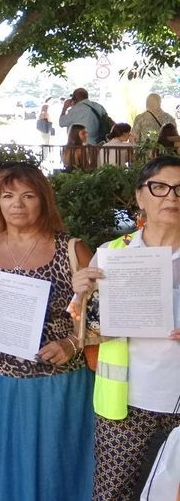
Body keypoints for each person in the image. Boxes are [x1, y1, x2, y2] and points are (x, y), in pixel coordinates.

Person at [0, 163, 95, 500]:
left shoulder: (72, 250)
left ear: (43, 200)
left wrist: (72, 343)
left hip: (55, 382)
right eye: (8, 196)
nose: (17, 204)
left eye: (28, 195)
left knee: (53, 467)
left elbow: (102, 317)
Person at [72, 156, 180, 501]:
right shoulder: (112, 254)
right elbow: (84, 329)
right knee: (113, 494)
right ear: (140, 196)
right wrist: (81, 294)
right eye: (159, 187)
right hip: (126, 402)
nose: (171, 197)